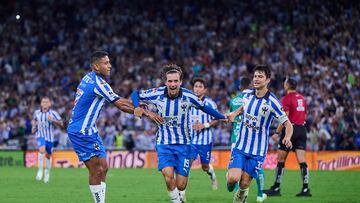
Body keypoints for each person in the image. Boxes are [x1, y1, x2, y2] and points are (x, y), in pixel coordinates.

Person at [67, 51, 162, 203]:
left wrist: (135, 104)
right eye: (106, 63)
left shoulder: (90, 78)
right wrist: (146, 113)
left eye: (109, 62)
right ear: (96, 66)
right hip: (81, 132)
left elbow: (116, 98)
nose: (110, 66)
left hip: (90, 129)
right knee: (96, 170)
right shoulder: (98, 83)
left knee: (104, 167)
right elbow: (120, 105)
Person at [131, 64, 226, 203]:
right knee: (168, 175)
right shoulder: (157, 93)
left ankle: (179, 197)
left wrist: (222, 117)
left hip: (185, 144)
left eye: (176, 81)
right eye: (170, 81)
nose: (173, 84)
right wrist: (136, 107)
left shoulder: (189, 96)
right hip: (164, 143)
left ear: (180, 82)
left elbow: (205, 108)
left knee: (181, 185)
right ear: (165, 82)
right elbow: (136, 94)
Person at [227, 64, 294, 203]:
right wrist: (234, 114)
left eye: (260, 77)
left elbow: (288, 124)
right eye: (255, 76)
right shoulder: (246, 95)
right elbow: (243, 107)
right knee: (233, 179)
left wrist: (287, 136)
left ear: (268, 80)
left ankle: (239, 200)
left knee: (245, 183)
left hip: (257, 150)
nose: (256, 79)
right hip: (240, 146)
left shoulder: (273, 102)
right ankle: (231, 182)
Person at [264, 77, 312, 197]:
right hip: (301, 129)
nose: (283, 85)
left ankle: (276, 187)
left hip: (291, 130)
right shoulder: (302, 98)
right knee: (302, 160)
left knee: (281, 159)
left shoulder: (286, 99)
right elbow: (305, 114)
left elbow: (285, 117)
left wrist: (277, 132)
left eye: (284, 83)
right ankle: (306, 189)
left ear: (287, 85)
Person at [229, 77, 266, 202]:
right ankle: (260, 194)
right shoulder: (252, 99)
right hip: (251, 140)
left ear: (239, 87)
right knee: (256, 169)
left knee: (235, 170)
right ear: (250, 85)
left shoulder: (233, 101)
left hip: (236, 139)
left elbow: (232, 118)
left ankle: (236, 192)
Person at [189, 77, 220, 190]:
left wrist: (204, 125)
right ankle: (181, 195)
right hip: (191, 140)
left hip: (205, 141)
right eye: (195, 86)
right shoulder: (188, 102)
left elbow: (217, 120)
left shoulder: (210, 104)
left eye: (200, 87)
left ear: (205, 90)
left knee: (205, 167)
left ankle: (212, 176)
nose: (197, 89)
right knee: (186, 165)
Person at [32, 96, 64, 183]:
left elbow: (62, 124)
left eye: (47, 102)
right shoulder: (37, 112)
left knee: (48, 156)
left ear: (49, 104)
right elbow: (34, 120)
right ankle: (40, 170)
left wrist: (53, 120)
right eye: (43, 102)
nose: (45, 103)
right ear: (41, 104)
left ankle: (47, 172)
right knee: (41, 150)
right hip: (40, 135)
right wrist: (34, 127)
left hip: (50, 137)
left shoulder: (53, 113)